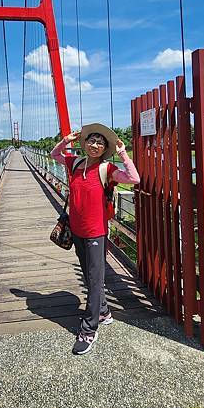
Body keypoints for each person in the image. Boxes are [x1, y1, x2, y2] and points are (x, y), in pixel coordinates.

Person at [50, 123, 140, 355]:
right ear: (86, 143)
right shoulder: (76, 163)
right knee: (91, 275)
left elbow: (134, 178)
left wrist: (122, 153)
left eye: (100, 142)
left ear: (104, 148)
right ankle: (104, 312)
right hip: (77, 230)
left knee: (95, 278)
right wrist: (66, 140)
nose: (95, 145)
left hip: (96, 231)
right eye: (92, 140)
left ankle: (89, 329)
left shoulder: (107, 169)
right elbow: (54, 155)